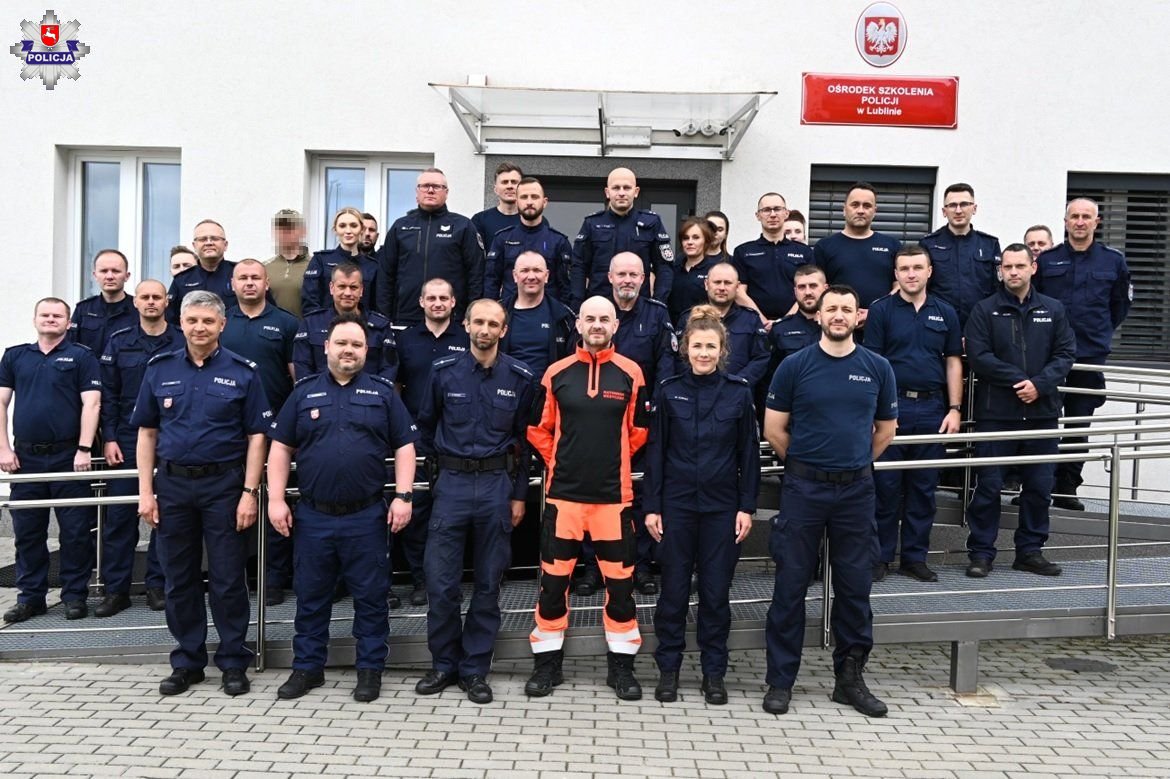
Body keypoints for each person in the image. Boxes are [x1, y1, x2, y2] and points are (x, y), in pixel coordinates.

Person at [762, 284, 898, 718]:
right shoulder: (794, 366)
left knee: (855, 588)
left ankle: (849, 680)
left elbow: (885, 431)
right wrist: (808, 466)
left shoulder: (877, 367)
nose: (838, 315)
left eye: (846, 309)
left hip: (856, 492)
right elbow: (774, 429)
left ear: (858, 317)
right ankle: (780, 680)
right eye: (831, 308)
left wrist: (851, 463)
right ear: (818, 316)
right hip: (804, 490)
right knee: (790, 586)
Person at [267, 313, 417, 703]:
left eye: (356, 344)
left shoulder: (383, 393)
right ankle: (307, 668)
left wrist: (403, 497)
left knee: (371, 597)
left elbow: (405, 446)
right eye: (341, 343)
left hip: (366, 516)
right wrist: (276, 499)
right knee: (311, 596)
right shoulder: (303, 393)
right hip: (313, 516)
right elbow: (280, 447)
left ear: (366, 350)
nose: (348, 350)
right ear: (326, 347)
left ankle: (369, 670)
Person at [132, 290, 271, 697]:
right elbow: (147, 434)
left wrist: (249, 492)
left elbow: (257, 436)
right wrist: (146, 492)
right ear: (181, 323)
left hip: (224, 487)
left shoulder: (244, 372)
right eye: (192, 320)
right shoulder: (159, 369)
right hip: (172, 486)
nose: (200, 328)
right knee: (179, 578)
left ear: (222, 325)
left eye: (208, 321)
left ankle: (233, 661)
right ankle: (188, 661)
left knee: (228, 578)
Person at [414, 299, 538, 705]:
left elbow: (524, 443)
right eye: (478, 322)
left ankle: (474, 670)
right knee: (441, 583)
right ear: (465, 325)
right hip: (450, 485)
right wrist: (436, 481)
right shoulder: (442, 372)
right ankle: (443, 664)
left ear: (504, 330)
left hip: (495, 486)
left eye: (493, 324)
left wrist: (518, 495)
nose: (485, 329)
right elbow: (426, 429)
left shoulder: (520, 377)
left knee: (487, 584)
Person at [526, 296, 650, 701]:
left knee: (621, 587)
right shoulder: (556, 373)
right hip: (563, 499)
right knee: (552, 585)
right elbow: (537, 429)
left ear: (615, 325)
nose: (597, 325)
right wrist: (561, 459)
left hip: (613, 500)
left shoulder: (631, 373)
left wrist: (611, 459)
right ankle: (547, 666)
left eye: (604, 319)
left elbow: (639, 432)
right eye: (590, 318)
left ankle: (621, 669)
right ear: (578, 324)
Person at [644, 306, 758, 705]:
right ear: (686, 350)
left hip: (722, 509)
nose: (704, 353)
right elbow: (656, 453)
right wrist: (652, 506)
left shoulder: (739, 392)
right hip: (676, 507)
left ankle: (714, 674)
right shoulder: (668, 390)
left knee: (715, 594)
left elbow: (748, 456)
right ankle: (668, 670)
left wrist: (747, 507)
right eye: (697, 346)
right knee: (673, 593)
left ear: (722, 350)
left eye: (711, 346)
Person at [964, 244, 1076, 577]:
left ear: (1033, 268)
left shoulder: (1053, 309)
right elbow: (979, 356)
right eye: (1007, 266)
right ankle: (981, 553)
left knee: (1039, 488)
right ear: (1000, 270)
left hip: (1042, 414)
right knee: (988, 487)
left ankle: (1030, 552)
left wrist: (1039, 385)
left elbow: (1065, 354)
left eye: (1020, 266)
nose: (1013, 272)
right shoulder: (984, 310)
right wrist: (1019, 380)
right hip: (996, 414)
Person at [575, 253, 676, 598]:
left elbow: (666, 368)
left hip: (641, 423)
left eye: (634, 274)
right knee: (594, 497)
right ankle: (593, 568)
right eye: (622, 274)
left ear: (644, 278)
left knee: (641, 496)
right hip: (598, 422)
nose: (628, 280)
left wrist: (652, 413)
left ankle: (641, 566)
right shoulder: (597, 312)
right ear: (610, 277)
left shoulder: (656, 314)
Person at [865, 247, 963, 583]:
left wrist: (954, 409)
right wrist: (877, 413)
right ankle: (879, 557)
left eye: (917, 267)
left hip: (933, 409)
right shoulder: (881, 310)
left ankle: (914, 558)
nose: (911, 274)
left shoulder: (945, 312)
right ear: (895, 273)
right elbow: (873, 364)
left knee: (923, 489)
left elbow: (953, 361)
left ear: (929, 271)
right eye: (904, 268)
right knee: (885, 488)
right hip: (892, 408)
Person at [0, 298, 101, 623]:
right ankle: (31, 598)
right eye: (45, 314)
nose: (51, 319)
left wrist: (84, 448)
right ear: (35, 319)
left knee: (75, 532)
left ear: (68, 322)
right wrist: (3, 449)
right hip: (25, 458)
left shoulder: (82, 357)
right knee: (28, 532)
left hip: (68, 457)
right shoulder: (15, 356)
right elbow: (1, 403)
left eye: (58, 316)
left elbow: (92, 404)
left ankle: (74, 596)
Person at [1036, 198, 1132, 510]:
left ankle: (1066, 489)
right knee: (1043, 423)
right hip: (1048, 355)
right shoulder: (1047, 260)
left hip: (1088, 355)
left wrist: (1098, 333)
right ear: (1065, 221)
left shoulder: (1113, 261)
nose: (1080, 222)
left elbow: (1119, 306)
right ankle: (1038, 487)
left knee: (1078, 425)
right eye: (1074, 216)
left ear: (1096, 222)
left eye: (1086, 217)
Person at [97, 280, 184, 616]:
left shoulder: (181, 340)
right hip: (127, 440)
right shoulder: (119, 341)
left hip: (171, 438)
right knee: (120, 519)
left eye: (156, 297)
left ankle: (157, 586)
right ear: (136, 302)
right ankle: (115, 590)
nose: (150, 302)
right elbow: (108, 394)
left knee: (167, 517)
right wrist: (109, 437)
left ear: (166, 302)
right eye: (145, 297)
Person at [220, 260, 299, 605]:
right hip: (227, 428)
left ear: (267, 283)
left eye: (255, 277)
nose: (249, 283)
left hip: (274, 430)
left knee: (273, 503)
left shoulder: (286, 323)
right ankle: (235, 578)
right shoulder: (221, 322)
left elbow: (296, 379)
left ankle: (273, 579)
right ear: (232, 284)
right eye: (243, 278)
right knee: (230, 505)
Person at [393, 278, 470, 608]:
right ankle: (421, 580)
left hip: (458, 436)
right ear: (421, 302)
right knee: (419, 511)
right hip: (417, 438)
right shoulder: (406, 339)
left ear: (453, 303)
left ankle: (450, 580)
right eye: (432, 298)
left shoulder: (466, 338)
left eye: (443, 298)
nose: (438, 303)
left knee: (455, 513)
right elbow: (396, 388)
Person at [377, 168, 484, 326]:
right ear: (417, 191)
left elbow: (476, 274)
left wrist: (471, 314)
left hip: (452, 318)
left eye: (437, 186)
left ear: (446, 192)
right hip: (406, 316)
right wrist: (385, 317)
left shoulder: (463, 226)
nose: (430, 190)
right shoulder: (400, 227)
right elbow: (385, 274)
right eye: (425, 186)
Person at [570, 167, 674, 308]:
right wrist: (578, 306)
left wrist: (658, 303)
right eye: (616, 188)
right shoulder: (592, 224)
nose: (621, 193)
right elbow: (578, 267)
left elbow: (664, 267)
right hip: (600, 307)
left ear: (636, 192)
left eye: (626, 188)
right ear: (607, 192)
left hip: (639, 307)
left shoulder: (651, 223)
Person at [294, 263, 398, 382]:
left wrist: (374, 392)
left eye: (353, 287)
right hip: (321, 392)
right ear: (331, 288)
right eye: (342, 286)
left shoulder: (381, 326)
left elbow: (389, 368)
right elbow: (302, 367)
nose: (348, 293)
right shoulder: (311, 324)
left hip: (368, 392)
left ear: (361, 290)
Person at [677, 263, 771, 395]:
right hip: (694, 392)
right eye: (717, 282)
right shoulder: (689, 318)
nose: (722, 288)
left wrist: (736, 383)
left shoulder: (751, 319)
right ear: (706, 284)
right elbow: (679, 357)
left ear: (737, 287)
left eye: (727, 283)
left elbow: (761, 358)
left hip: (738, 395)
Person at [813, 183, 903, 318]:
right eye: (855, 205)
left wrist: (875, 312)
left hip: (882, 322)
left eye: (867, 206)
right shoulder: (824, 246)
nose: (861, 210)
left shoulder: (892, 245)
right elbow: (818, 290)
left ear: (875, 211)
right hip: (838, 322)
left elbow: (900, 285)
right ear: (844, 209)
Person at [918, 183, 1002, 326]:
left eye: (964, 204)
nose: (958, 210)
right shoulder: (928, 244)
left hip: (980, 323)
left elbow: (998, 288)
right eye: (952, 205)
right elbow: (921, 287)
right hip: (938, 322)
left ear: (974, 208)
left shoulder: (989, 244)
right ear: (944, 211)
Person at [483, 176, 573, 301]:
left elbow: (566, 289)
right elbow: (491, 284)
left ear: (544, 202)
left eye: (534, 197)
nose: (529, 202)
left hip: (548, 311)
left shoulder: (558, 242)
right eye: (524, 197)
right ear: (516, 202)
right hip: (510, 311)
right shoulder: (502, 239)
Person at [732, 193, 815, 324]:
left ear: (786, 213)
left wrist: (784, 322)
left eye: (777, 209)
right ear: (758, 216)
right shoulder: (743, 252)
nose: (772, 214)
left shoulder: (805, 252)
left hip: (796, 324)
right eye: (766, 210)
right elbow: (739, 292)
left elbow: (810, 291)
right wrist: (762, 320)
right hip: (754, 324)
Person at [499, 252, 576, 381]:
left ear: (546, 276)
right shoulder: (497, 313)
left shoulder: (563, 316)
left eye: (537, 270)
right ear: (515, 276)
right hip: (506, 388)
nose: (531, 276)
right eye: (524, 271)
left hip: (548, 389)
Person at [302, 207, 380, 315]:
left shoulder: (372, 265)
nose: (348, 231)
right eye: (342, 226)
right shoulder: (321, 260)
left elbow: (377, 305)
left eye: (353, 225)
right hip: (326, 323)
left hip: (361, 323)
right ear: (335, 230)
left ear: (361, 229)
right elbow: (310, 301)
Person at [167, 219, 239, 323]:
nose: (209, 243)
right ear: (194, 246)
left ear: (225, 245)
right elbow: (170, 319)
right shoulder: (182, 280)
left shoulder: (240, 274)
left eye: (215, 238)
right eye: (203, 239)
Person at [70, 249, 136, 353]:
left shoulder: (138, 308)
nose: (109, 277)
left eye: (116, 271)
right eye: (104, 271)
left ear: (127, 276)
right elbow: (70, 346)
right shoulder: (83, 309)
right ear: (95, 275)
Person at [768, 265, 826, 361]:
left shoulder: (837, 325)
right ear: (795, 291)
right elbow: (772, 368)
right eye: (802, 287)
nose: (808, 292)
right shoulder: (780, 329)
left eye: (813, 286)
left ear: (825, 288)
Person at [668, 217, 720, 322]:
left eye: (696, 238)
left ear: (706, 241)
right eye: (686, 238)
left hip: (702, 326)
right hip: (672, 327)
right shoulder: (672, 269)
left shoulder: (714, 271)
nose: (690, 242)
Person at [264, 209, 311, 318]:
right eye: (280, 228)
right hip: (273, 327)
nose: (285, 232)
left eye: (290, 227)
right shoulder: (264, 268)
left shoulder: (315, 266)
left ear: (303, 231)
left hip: (305, 327)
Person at [472, 162, 523, 249]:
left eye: (514, 182)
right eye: (504, 182)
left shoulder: (535, 220)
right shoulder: (480, 220)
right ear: (496, 189)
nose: (509, 186)